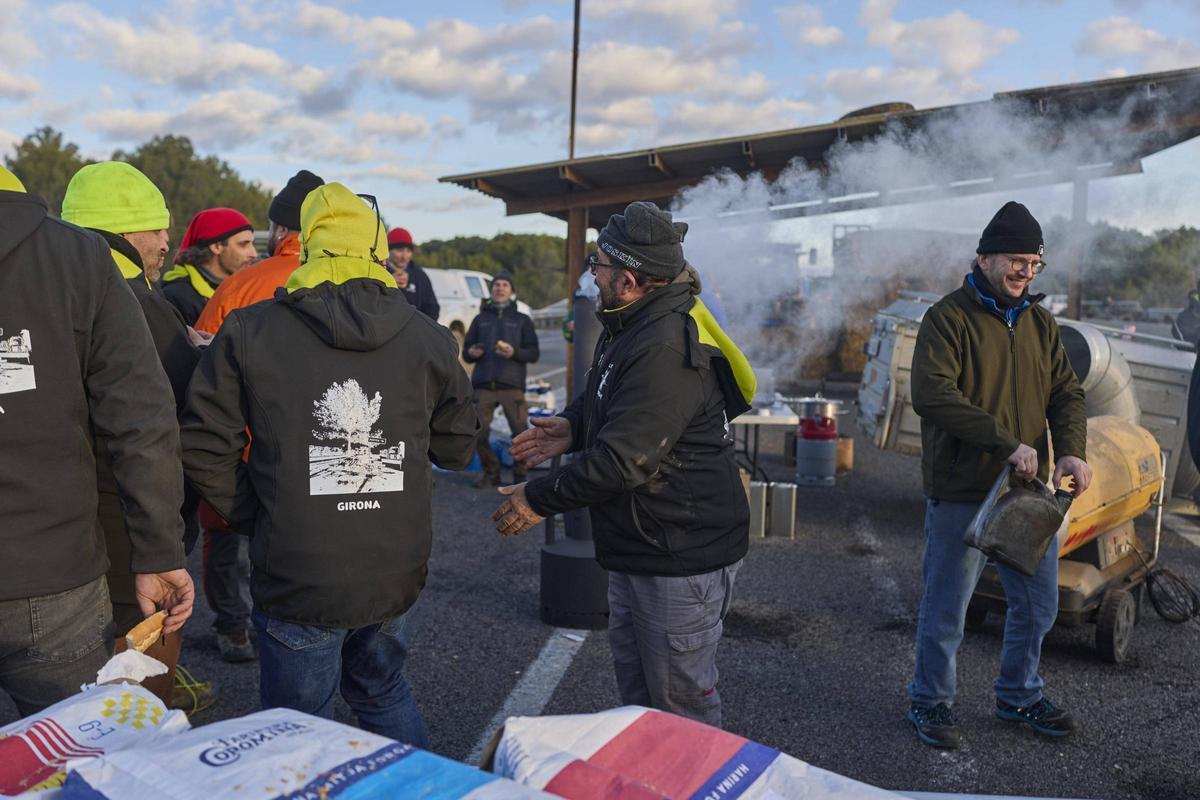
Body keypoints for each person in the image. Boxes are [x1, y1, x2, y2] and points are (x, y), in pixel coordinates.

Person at [180, 184, 478, 745]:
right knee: (382, 691)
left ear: (306, 242)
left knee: (298, 730)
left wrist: (255, 512)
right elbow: (458, 448)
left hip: (298, 569)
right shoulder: (430, 338)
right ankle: (412, 785)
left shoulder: (250, 330)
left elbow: (202, 442)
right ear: (376, 247)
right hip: (392, 566)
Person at [493, 201, 756, 728]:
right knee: (642, 707)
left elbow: (622, 461)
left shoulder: (663, 345)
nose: (593, 274)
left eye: (600, 264)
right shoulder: (633, 323)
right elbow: (611, 398)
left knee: (681, 714)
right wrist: (573, 426)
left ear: (630, 279)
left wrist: (536, 498)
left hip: (679, 554)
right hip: (644, 545)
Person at [0, 164, 193, 715]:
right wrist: (159, 550)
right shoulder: (79, 256)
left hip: (57, 572)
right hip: (52, 573)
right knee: (83, 750)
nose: (166, 240)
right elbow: (141, 417)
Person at [906, 201, 1092, 749]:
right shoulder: (947, 318)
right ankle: (930, 701)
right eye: (1016, 261)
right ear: (985, 258)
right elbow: (932, 394)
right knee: (948, 608)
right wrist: (1005, 442)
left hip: (1025, 494)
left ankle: (1018, 695)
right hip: (962, 488)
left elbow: (1066, 393)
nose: (1025, 272)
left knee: (1038, 604)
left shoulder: (1041, 323)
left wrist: (1072, 451)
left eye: (1034, 264)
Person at [60, 161, 210, 710]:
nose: (168, 241)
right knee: (140, 645)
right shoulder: (138, 302)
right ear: (122, 233)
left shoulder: (51, 293)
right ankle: (147, 712)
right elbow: (166, 421)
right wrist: (204, 359)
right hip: (131, 520)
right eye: (156, 228)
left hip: (62, 521)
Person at [192, 170, 324, 663]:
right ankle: (304, 630)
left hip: (241, 449)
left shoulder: (242, 284)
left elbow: (200, 364)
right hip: (320, 452)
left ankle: (233, 628)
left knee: (224, 540)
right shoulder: (360, 285)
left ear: (281, 229)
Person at [194, 170, 324, 334]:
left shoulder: (237, 287)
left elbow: (203, 343)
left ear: (281, 230)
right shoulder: (347, 281)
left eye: (271, 226)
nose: (253, 253)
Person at [463, 270, 539, 487]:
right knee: (477, 432)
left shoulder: (522, 320)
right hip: (483, 385)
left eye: (505, 285)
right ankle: (491, 473)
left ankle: (520, 476)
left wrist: (514, 352)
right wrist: (472, 353)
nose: (500, 288)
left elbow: (533, 353)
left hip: (512, 386)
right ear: (491, 290)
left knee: (520, 434)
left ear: (511, 291)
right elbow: (466, 352)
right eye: (496, 285)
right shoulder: (480, 319)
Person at [160, 208, 257, 326]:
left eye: (252, 244)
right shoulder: (177, 296)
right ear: (216, 246)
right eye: (243, 244)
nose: (254, 254)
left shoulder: (244, 290)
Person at [385, 227, 440, 320]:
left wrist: (419, 326)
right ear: (388, 250)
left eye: (408, 251)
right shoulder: (378, 272)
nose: (404, 256)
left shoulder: (420, 276)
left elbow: (433, 308)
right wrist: (389, 282)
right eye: (399, 250)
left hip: (415, 328)